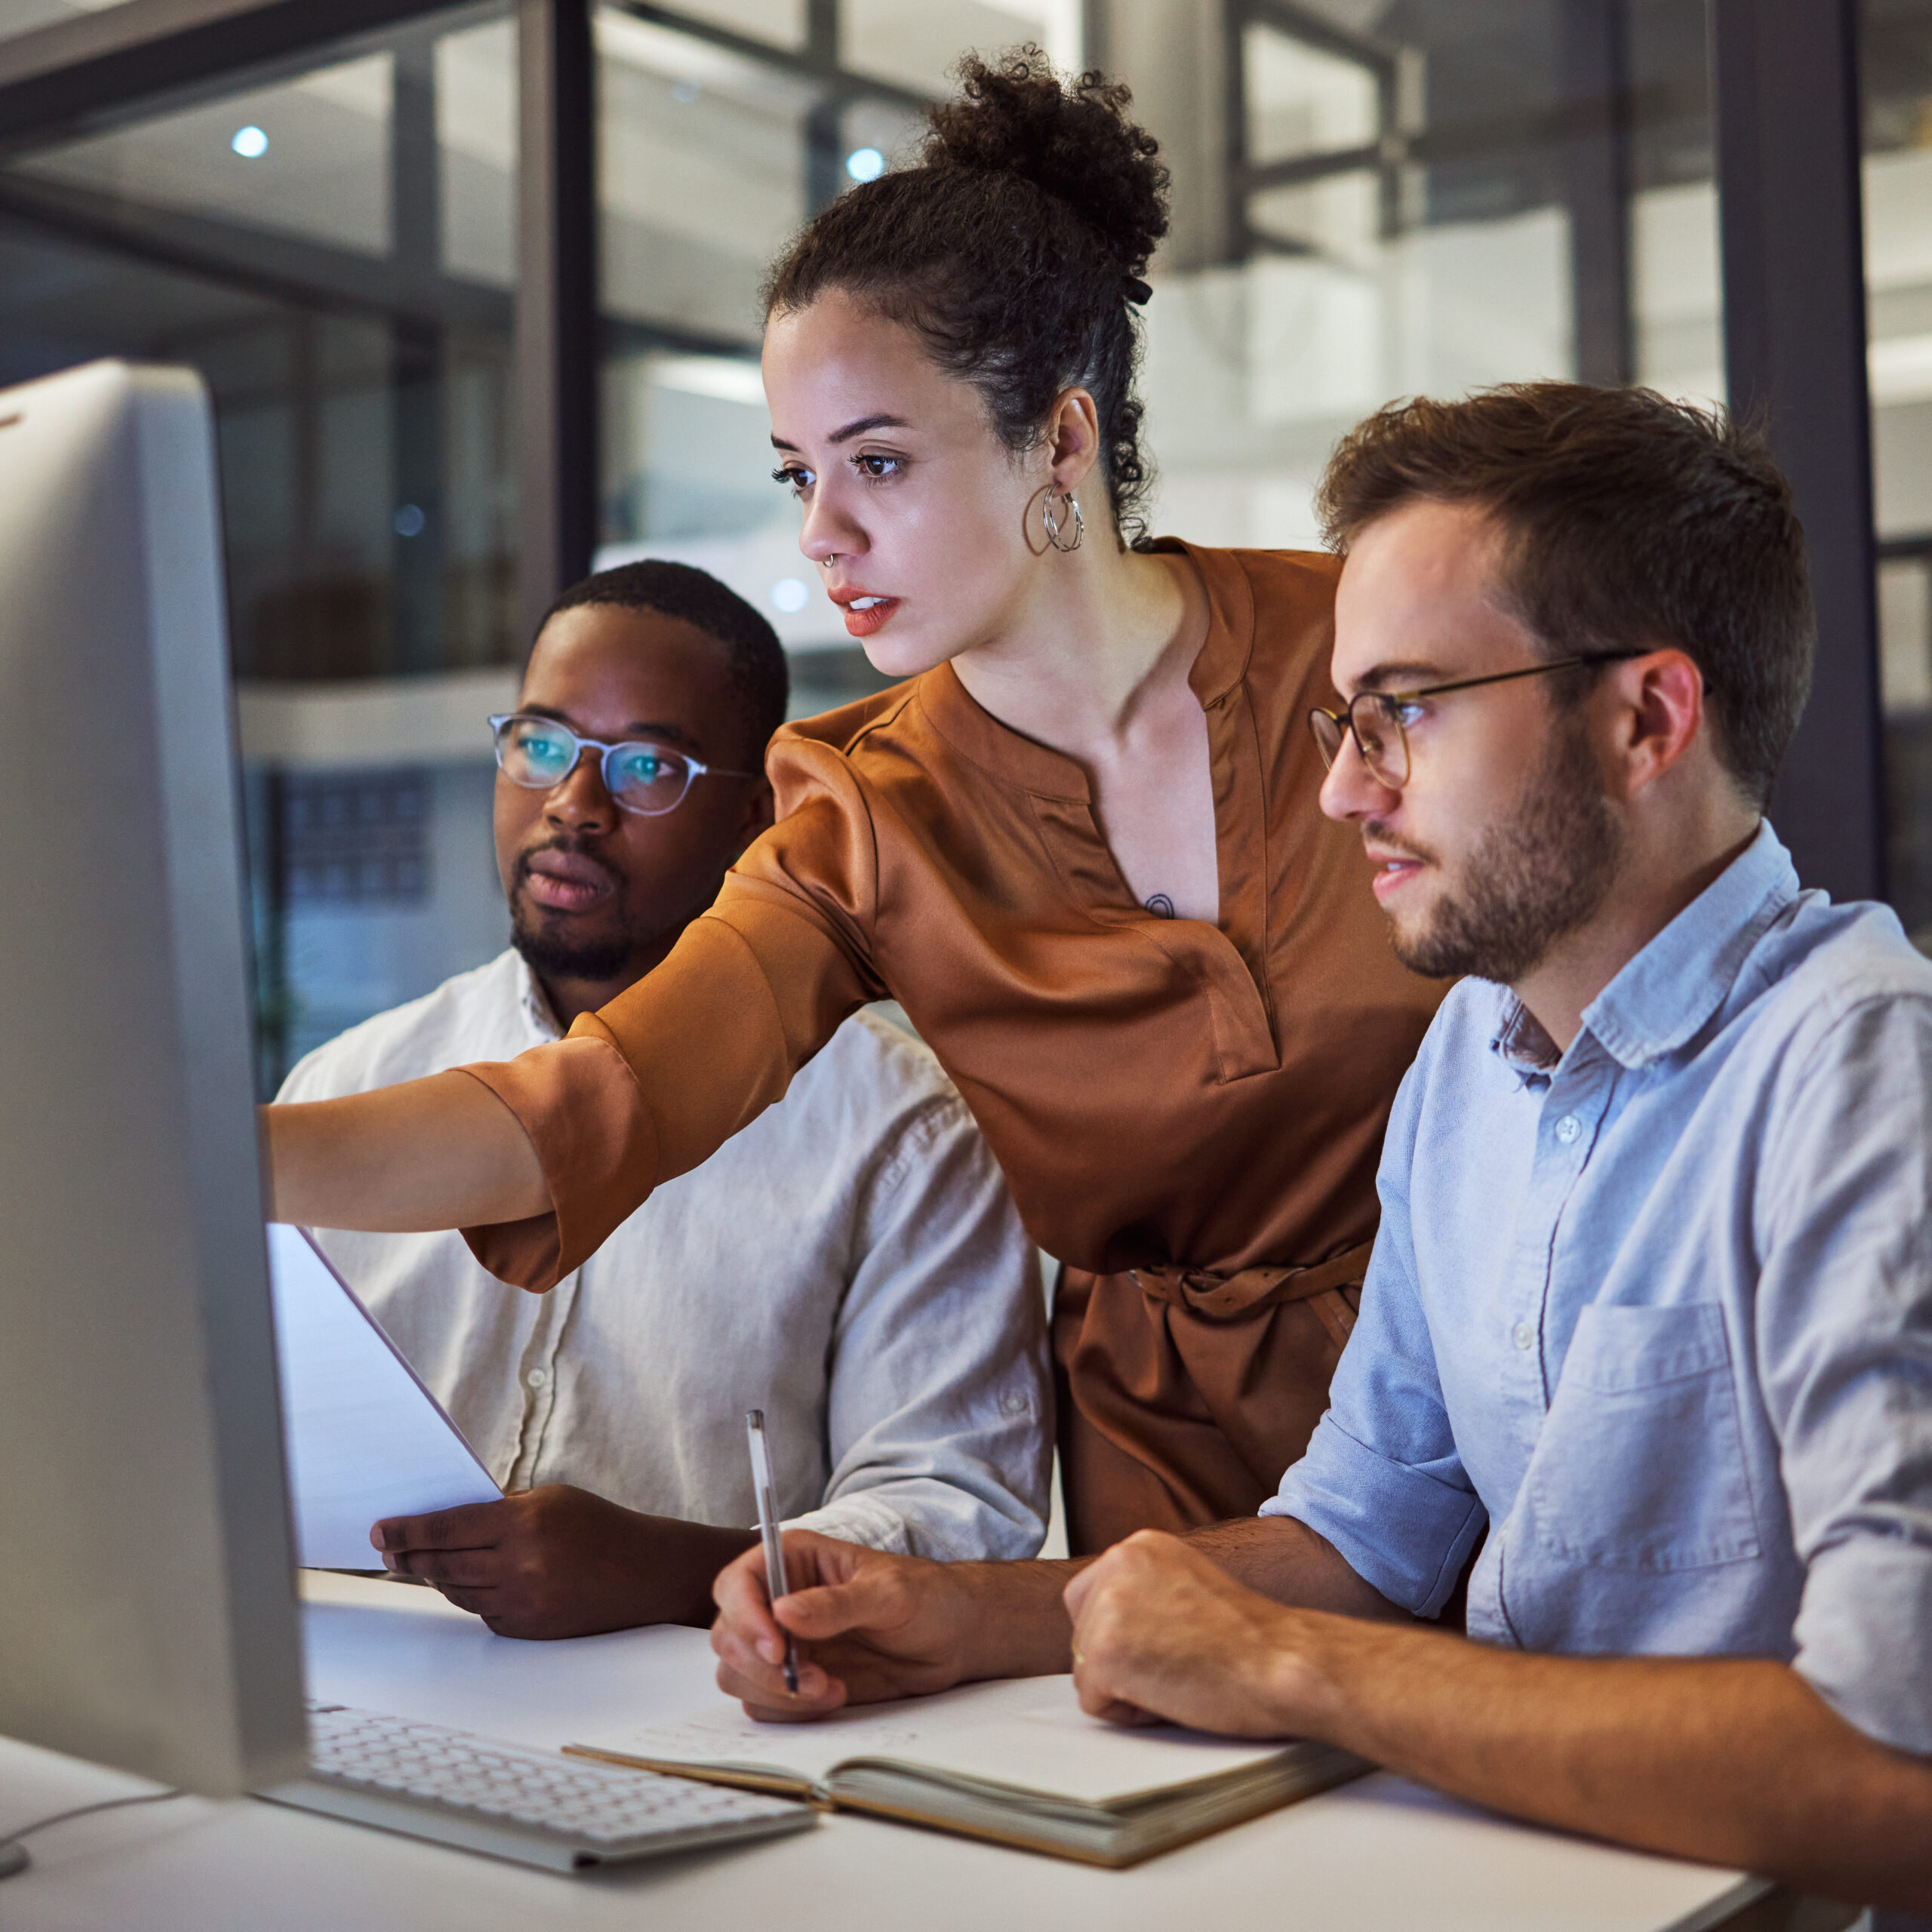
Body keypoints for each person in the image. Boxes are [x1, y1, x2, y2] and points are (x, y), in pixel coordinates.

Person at [711, 384, 1932, 1912]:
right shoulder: (1464, 1064)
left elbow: (1897, 1766)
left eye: (1403, 709)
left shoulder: (1862, 1065)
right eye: (1340, 717)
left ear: (1645, 719)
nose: (1343, 785)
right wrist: (966, 1615)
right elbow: (1359, 1530)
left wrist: (1290, 1664)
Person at [266, 52, 1444, 1564]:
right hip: (1168, 1498)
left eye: (876, 462)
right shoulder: (862, 807)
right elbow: (589, 1103)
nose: (822, 536)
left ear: (1062, 442)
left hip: (1490, 1397)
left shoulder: (1367, 651)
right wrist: (214, 1153)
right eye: (796, 474)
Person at [283, 560, 1051, 1638]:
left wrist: (673, 1571)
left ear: (755, 815)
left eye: (647, 766)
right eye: (541, 744)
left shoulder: (904, 1131)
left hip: (712, 1714)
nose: (574, 804)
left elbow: (961, 1513)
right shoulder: (353, 1082)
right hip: (354, 1681)